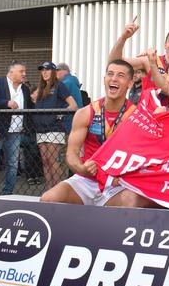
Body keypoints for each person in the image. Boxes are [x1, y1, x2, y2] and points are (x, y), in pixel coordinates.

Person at [41, 60, 152, 207]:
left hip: (118, 183)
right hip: (87, 180)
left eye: (120, 75)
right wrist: (82, 169)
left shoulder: (137, 116)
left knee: (132, 202)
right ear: (104, 79)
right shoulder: (85, 112)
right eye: (110, 74)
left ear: (130, 83)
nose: (114, 79)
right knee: (48, 199)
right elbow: (71, 154)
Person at [0, 61, 33, 197]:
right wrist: (6, 103)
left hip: (16, 132)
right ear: (11, 72)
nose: (24, 74)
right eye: (21, 71)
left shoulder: (25, 89)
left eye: (24, 71)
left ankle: (7, 193)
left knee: (13, 165)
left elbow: (30, 108)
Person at [31, 62, 78, 190]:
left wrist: (58, 115)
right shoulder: (41, 88)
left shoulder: (59, 85)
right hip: (41, 129)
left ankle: (57, 190)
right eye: (42, 70)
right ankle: (49, 189)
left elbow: (73, 105)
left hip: (54, 129)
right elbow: (32, 99)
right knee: (45, 162)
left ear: (53, 72)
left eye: (47, 70)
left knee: (53, 161)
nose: (44, 72)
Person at [55, 63, 84, 133]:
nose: (55, 74)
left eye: (57, 71)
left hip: (68, 120)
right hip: (78, 118)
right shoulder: (73, 81)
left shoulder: (65, 83)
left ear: (64, 71)